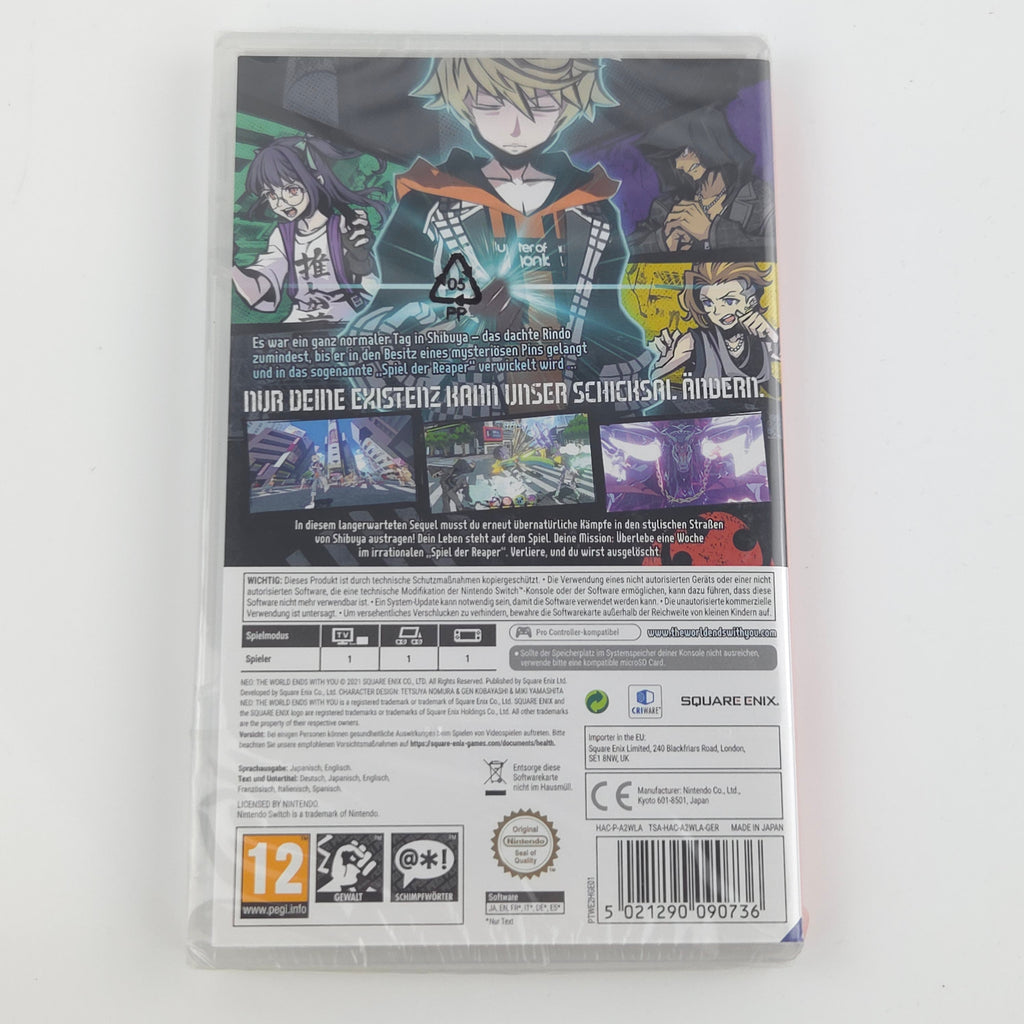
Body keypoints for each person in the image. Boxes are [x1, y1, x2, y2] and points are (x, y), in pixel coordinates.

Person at [360, 57, 651, 385]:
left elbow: (609, 319)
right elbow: (383, 328)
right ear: (465, 104)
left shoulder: (592, 207)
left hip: (576, 391)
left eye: (540, 107)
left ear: (565, 108)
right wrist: (464, 323)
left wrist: (632, 382)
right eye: (491, 105)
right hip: (469, 396)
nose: (515, 128)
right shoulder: (429, 202)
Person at [232, 136, 385, 325]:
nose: (281, 203)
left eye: (291, 190)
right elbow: (262, 292)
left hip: (345, 319)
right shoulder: (282, 235)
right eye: (271, 194)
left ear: (317, 180)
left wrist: (361, 261)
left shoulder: (343, 226)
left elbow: (373, 290)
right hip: (298, 322)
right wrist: (231, 266)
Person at [628, 107, 773, 255]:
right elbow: (626, 252)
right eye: (673, 157)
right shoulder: (665, 207)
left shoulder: (759, 198)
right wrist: (664, 240)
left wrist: (711, 232)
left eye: (684, 152)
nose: (679, 165)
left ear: (711, 142)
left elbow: (775, 249)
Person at [650, 262, 778, 393]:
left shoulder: (763, 340)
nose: (717, 311)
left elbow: (782, 389)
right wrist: (657, 361)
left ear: (751, 302)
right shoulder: (694, 341)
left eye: (729, 301)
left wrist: (773, 338)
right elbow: (650, 377)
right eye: (708, 303)